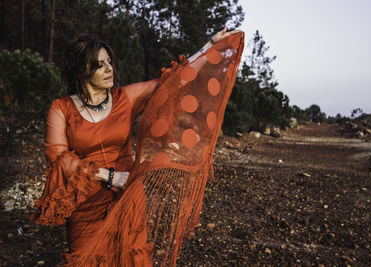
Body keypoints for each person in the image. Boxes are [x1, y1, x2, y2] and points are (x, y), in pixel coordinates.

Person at [31, 27, 244, 266]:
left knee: (130, 257)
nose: (110, 68)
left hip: (127, 195)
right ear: (82, 71)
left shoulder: (125, 98)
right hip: (86, 201)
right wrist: (107, 176)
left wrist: (208, 46)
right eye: (100, 64)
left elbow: (173, 81)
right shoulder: (61, 108)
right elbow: (57, 156)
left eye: (109, 61)